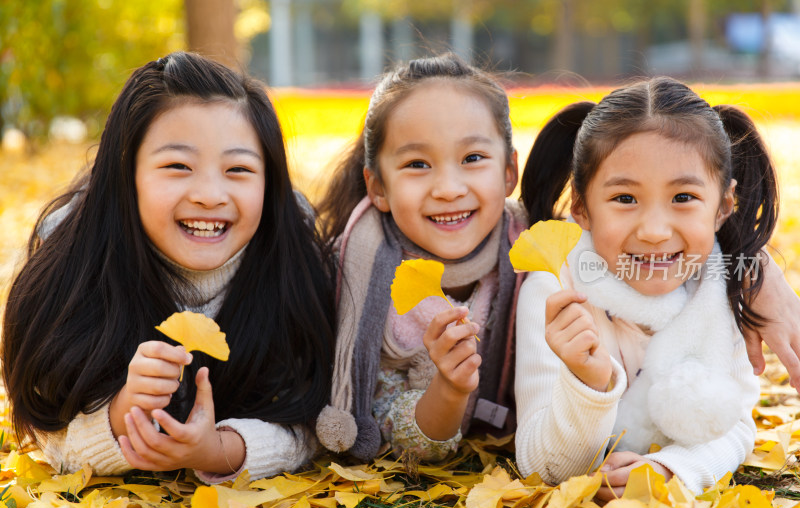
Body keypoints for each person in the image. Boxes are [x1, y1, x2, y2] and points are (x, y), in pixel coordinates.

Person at [1, 52, 335, 483]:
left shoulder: (292, 262)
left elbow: (310, 416)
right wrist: (123, 415)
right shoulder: (75, 266)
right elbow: (51, 426)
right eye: (178, 166)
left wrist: (219, 451)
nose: (210, 194)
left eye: (238, 169)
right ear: (125, 175)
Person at [514, 77, 780, 498]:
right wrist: (589, 384)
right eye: (624, 198)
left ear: (723, 205)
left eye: (683, 197)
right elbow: (538, 464)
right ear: (581, 207)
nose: (655, 231)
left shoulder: (719, 289)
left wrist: (671, 470)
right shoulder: (556, 286)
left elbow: (733, 427)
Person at [314, 53, 528, 462]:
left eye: (472, 158)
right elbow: (395, 433)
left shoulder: (532, 254)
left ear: (508, 172)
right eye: (417, 164)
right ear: (377, 186)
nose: (448, 188)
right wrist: (447, 390)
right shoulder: (363, 275)